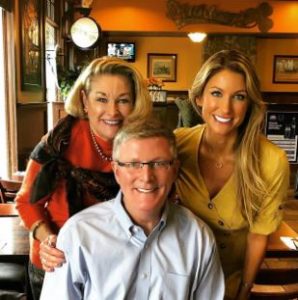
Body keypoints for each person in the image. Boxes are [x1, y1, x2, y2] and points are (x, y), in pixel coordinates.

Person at [40, 118, 225, 300]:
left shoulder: (198, 238)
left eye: (159, 163)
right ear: (117, 171)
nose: (146, 177)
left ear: (174, 169)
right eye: (133, 164)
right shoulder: (78, 235)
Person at [15, 56, 152, 300]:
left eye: (123, 101)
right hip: (57, 261)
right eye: (101, 99)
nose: (112, 111)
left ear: (135, 104)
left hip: (115, 263)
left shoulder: (143, 143)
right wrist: (49, 241)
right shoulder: (59, 142)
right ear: (84, 101)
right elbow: (26, 202)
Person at [174, 49, 289, 300]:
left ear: (249, 104)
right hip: (175, 278)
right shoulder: (176, 145)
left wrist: (245, 290)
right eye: (216, 93)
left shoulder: (272, 161)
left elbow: (259, 236)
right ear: (200, 97)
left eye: (239, 96)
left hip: (228, 284)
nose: (225, 108)